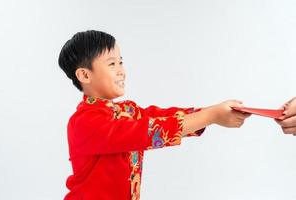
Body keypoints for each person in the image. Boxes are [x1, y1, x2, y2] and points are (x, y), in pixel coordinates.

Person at [58, 30, 251, 200]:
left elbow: (163, 117)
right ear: (84, 75)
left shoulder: (127, 111)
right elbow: (146, 132)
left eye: (121, 62)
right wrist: (212, 115)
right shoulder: (83, 122)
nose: (121, 71)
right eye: (112, 64)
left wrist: (215, 111)